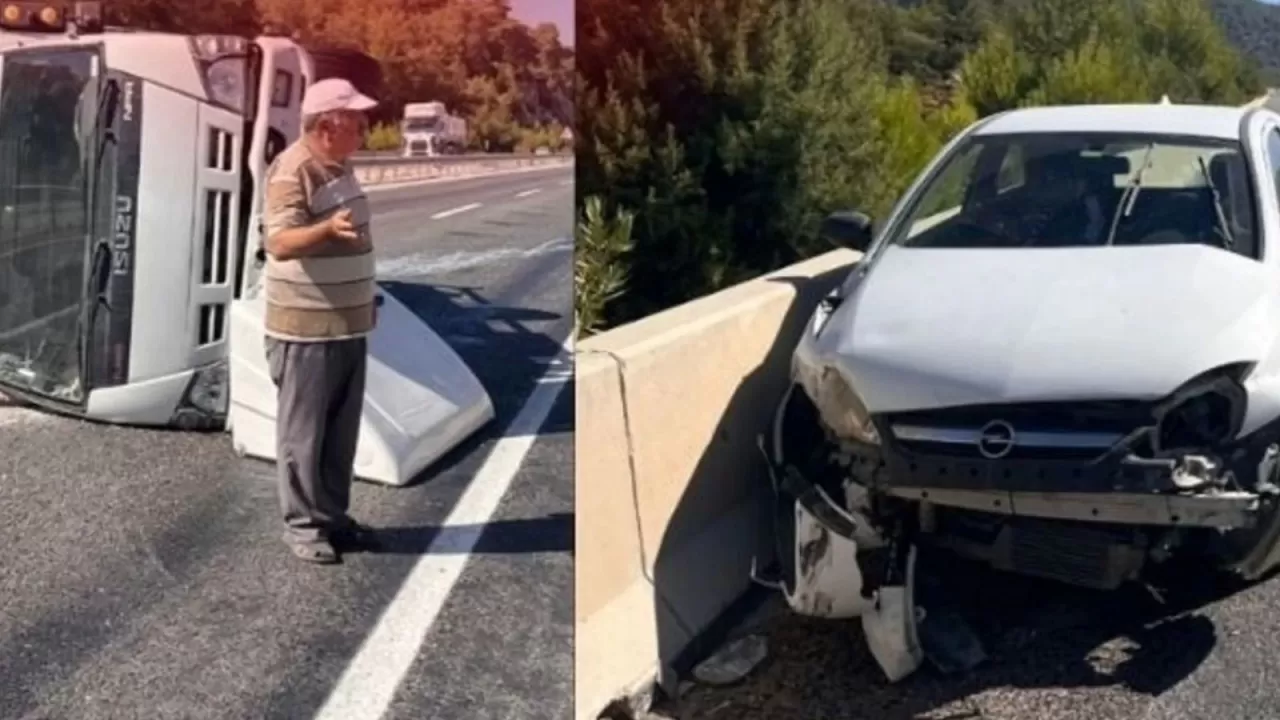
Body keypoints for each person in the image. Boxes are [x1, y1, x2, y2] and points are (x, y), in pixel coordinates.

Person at [260, 77, 383, 564]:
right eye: (356, 119)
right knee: (304, 434)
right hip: (305, 328)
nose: (365, 126)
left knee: (339, 434)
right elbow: (281, 242)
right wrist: (327, 229)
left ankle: (333, 518)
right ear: (329, 123)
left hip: (347, 325)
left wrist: (364, 297)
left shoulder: (339, 165)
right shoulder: (294, 170)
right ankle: (304, 527)